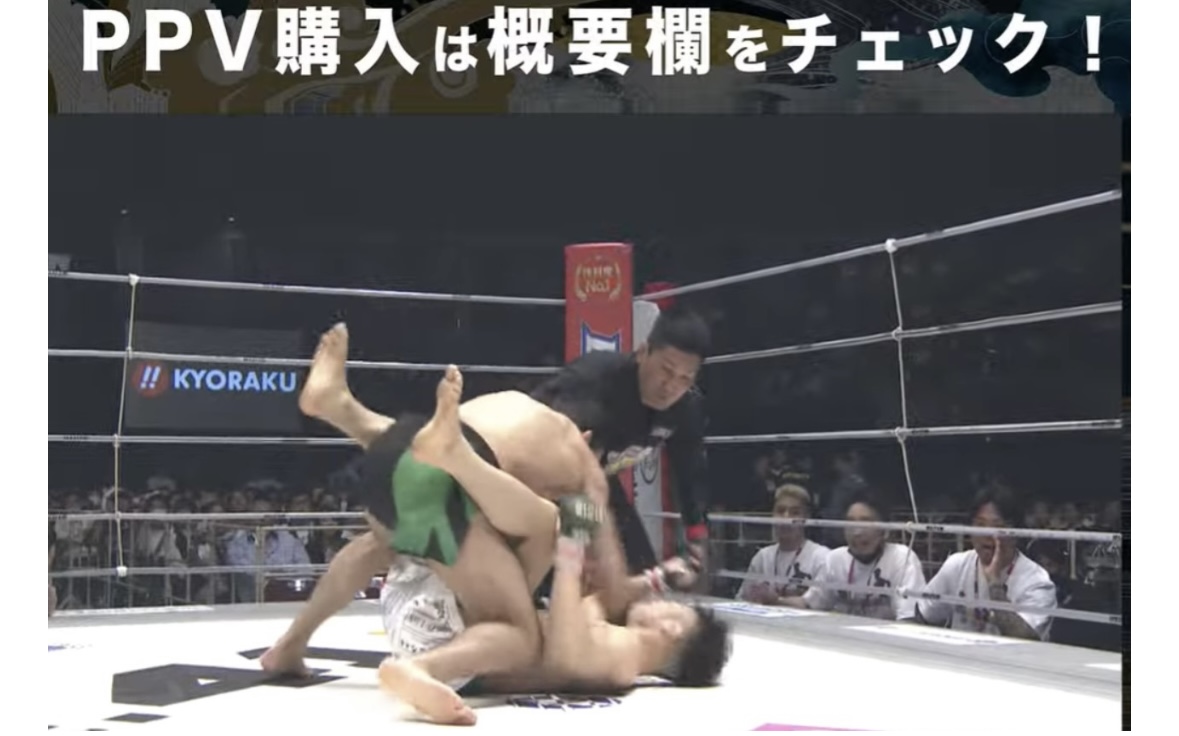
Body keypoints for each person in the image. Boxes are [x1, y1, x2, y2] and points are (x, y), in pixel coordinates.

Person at [529, 305, 714, 581]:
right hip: (536, 474)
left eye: (685, 378)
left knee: (639, 570)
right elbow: (572, 470)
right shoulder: (597, 383)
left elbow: (691, 470)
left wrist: (696, 537)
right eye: (666, 370)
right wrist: (585, 548)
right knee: (568, 574)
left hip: (597, 477)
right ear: (642, 352)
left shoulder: (685, 407)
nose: (671, 386)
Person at [916, 486, 1056, 641]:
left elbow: (1027, 640)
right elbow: (923, 613)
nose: (987, 534)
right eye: (980, 525)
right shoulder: (956, 564)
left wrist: (995, 586)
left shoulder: (1037, 582)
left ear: (1016, 532)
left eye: (998, 526)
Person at [781, 490, 926, 621]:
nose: (857, 532)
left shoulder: (901, 558)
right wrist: (776, 600)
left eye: (866, 523)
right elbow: (809, 604)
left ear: (885, 530)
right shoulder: (835, 559)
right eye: (850, 523)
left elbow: (909, 619)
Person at [737, 484, 830, 604]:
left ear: (806, 518)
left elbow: (813, 605)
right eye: (780, 511)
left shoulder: (821, 557)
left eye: (795, 512)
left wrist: (775, 601)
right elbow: (742, 599)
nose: (786, 518)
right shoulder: (763, 556)